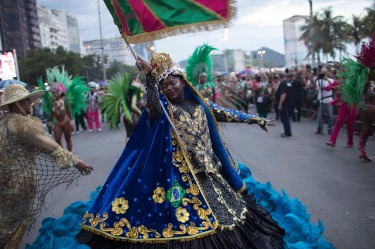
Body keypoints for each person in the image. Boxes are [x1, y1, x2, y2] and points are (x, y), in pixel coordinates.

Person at [76, 52, 288, 248]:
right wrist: (151, 77)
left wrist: (256, 120)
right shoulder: (165, 110)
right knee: (183, 219)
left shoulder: (201, 105)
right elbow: (152, 104)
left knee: (228, 215)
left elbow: (227, 114)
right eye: (165, 86)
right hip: (182, 175)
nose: (169, 88)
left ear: (183, 82)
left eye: (172, 83)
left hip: (209, 171)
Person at [0, 84, 93, 249]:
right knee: (15, 225)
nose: (30, 104)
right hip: (20, 184)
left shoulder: (3, 123)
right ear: (15, 104)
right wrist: (77, 162)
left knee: (5, 222)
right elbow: (50, 146)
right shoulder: (21, 124)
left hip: (3, 182)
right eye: (26, 101)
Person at [325, 78, 357, 148]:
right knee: (338, 121)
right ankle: (332, 141)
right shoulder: (338, 81)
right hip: (343, 104)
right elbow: (326, 88)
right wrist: (334, 87)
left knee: (350, 124)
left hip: (352, 104)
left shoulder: (354, 81)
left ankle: (350, 142)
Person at [48, 83, 74, 151]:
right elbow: (51, 113)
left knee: (68, 139)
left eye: (56, 92)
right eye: (53, 93)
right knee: (57, 139)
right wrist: (50, 121)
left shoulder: (65, 101)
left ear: (60, 92)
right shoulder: (52, 103)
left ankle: (70, 154)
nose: (54, 94)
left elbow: (69, 112)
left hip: (66, 122)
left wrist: (71, 122)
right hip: (57, 122)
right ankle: (63, 155)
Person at [315, 68, 334, 135]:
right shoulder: (318, 81)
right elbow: (319, 88)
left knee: (330, 116)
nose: (324, 73)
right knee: (319, 116)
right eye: (323, 72)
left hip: (329, 100)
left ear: (327, 73)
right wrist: (320, 78)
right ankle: (319, 128)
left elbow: (333, 85)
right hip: (321, 100)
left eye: (325, 72)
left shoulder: (331, 80)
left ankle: (330, 129)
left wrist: (327, 79)